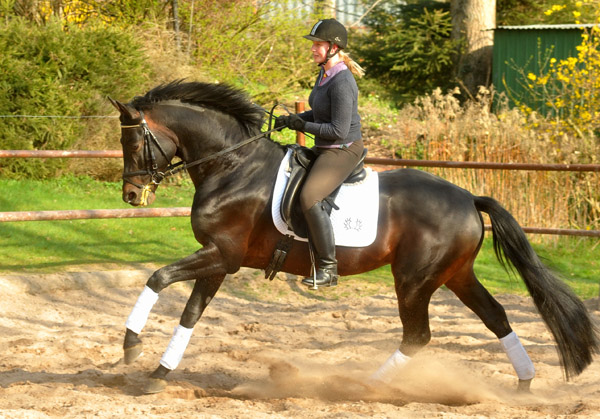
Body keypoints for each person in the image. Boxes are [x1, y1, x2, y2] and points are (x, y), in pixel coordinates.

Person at [275, 18, 365, 288]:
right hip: (327, 146)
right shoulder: (325, 74)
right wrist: (293, 119)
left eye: (318, 45)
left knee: (310, 196)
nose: (313, 49)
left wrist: (304, 125)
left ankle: (328, 268)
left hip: (342, 149)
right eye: (313, 45)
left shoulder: (342, 82)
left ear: (334, 47)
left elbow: (337, 130)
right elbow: (320, 113)